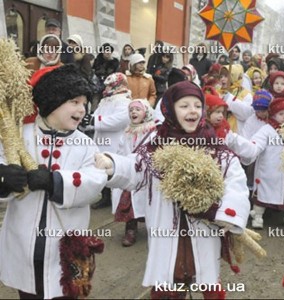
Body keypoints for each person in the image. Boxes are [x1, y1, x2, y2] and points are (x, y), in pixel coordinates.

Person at [94, 80, 250, 299]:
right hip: (166, 225)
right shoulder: (158, 142)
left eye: (197, 105)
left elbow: (235, 181)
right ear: (170, 108)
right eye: (184, 105)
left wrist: (227, 214)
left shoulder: (212, 144)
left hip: (204, 226)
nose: (192, 111)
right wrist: (112, 164)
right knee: (169, 277)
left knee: (204, 275)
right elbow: (136, 166)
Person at [0, 65, 107, 298]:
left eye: (85, 102)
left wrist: (55, 182)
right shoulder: (21, 135)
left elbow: (94, 181)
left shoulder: (85, 144)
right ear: (52, 101)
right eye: (75, 101)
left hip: (67, 249)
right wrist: (4, 177)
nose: (83, 109)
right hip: (25, 246)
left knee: (67, 292)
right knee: (30, 292)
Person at [226, 98, 284, 229]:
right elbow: (255, 146)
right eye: (281, 114)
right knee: (262, 194)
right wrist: (237, 142)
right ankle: (258, 216)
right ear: (273, 114)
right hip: (268, 170)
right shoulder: (266, 130)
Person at [81, 72, 132, 209]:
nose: (107, 88)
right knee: (100, 166)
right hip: (102, 139)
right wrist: (88, 121)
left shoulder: (125, 101)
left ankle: (117, 200)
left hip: (116, 141)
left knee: (113, 167)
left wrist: (95, 121)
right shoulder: (105, 100)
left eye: (110, 85)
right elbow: (97, 115)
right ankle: (105, 197)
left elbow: (119, 121)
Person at [114, 99, 156, 246]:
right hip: (130, 172)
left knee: (149, 202)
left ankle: (154, 228)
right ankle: (130, 230)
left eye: (137, 109)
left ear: (146, 112)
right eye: (131, 110)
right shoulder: (127, 132)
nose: (133, 112)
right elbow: (120, 150)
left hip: (147, 174)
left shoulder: (153, 132)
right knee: (128, 201)